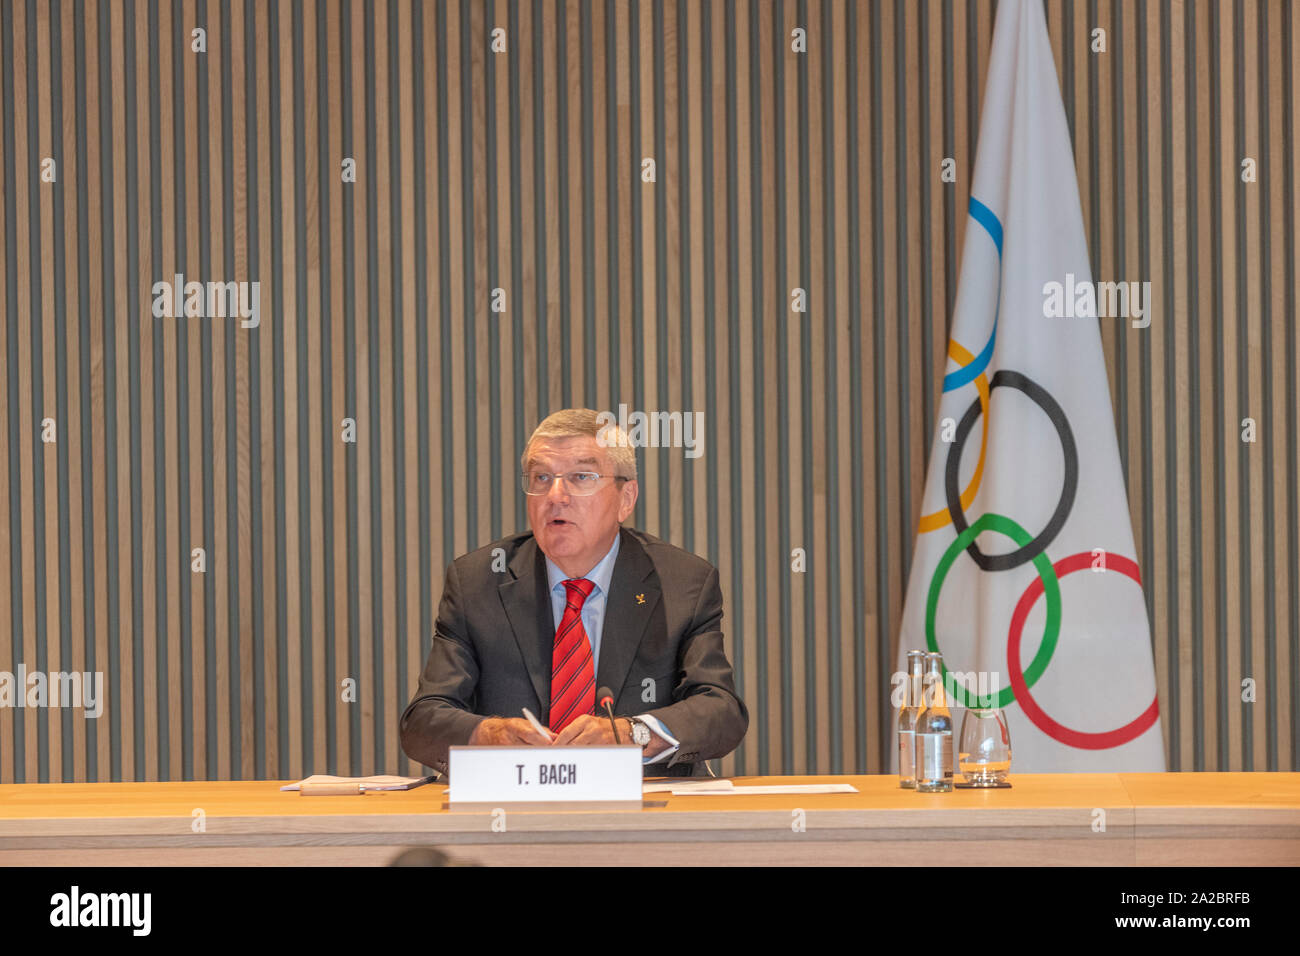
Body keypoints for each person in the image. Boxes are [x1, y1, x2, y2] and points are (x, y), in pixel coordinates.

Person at [400, 408, 748, 778]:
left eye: (581, 476)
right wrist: (488, 734)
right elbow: (423, 720)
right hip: (511, 812)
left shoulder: (682, 583)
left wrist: (632, 733)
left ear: (626, 498)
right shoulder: (477, 583)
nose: (556, 495)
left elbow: (721, 710)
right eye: (541, 477)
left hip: (644, 815)